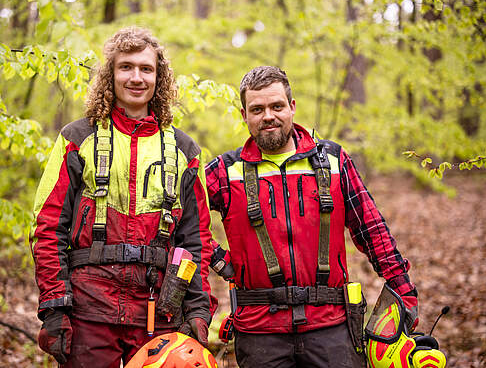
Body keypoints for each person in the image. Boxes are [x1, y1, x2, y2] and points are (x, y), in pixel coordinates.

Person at [206, 66, 418, 368]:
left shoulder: (333, 161)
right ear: (244, 115)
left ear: (292, 107)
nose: (268, 116)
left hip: (332, 328)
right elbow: (184, 221)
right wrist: (221, 262)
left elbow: (371, 229)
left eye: (277, 106)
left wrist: (402, 286)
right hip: (258, 332)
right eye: (257, 109)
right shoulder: (224, 172)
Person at [30, 27, 215, 367]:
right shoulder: (77, 137)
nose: (136, 77)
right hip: (88, 309)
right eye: (126, 67)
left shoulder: (184, 150)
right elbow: (48, 226)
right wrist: (56, 306)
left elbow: (196, 239)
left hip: (161, 311)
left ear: (159, 78)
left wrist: (198, 310)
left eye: (146, 69)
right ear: (110, 75)